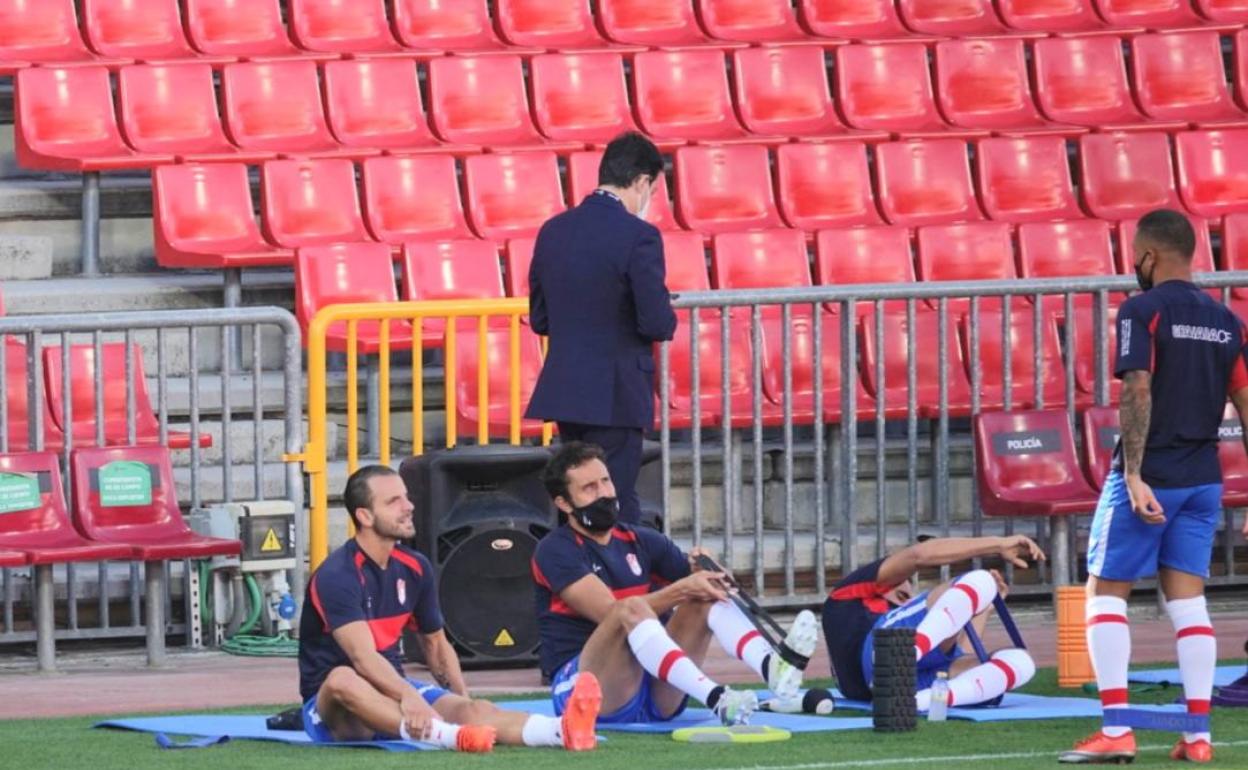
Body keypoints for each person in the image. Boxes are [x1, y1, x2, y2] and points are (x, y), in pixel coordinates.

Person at [1060, 209, 1248, 765]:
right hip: (1203, 480)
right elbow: (1245, 400)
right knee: (1188, 603)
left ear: (1149, 255)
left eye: (1135, 255)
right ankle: (1198, 737)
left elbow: (1137, 390)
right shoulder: (1226, 320)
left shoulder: (1141, 310)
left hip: (1152, 477)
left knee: (1105, 595)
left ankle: (1117, 729)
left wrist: (1134, 473)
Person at [298, 465, 601, 752]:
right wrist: (408, 696)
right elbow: (362, 659)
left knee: (473, 709)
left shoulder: (415, 567)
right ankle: (450, 737)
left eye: (406, 496)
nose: (409, 506)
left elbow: (436, 645)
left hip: (391, 689)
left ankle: (561, 730)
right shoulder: (337, 575)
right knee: (342, 677)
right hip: (335, 710)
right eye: (394, 501)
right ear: (364, 516)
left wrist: (462, 702)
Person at [532, 442, 820, 727]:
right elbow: (611, 613)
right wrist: (684, 588)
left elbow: (718, 585)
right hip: (587, 692)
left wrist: (709, 571)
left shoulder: (641, 539)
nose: (605, 493)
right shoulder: (554, 550)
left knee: (707, 593)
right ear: (564, 504)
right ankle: (717, 698)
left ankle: (771, 666)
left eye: (605, 481)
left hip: (656, 693)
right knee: (628, 609)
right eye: (589, 488)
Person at [526, 132, 678, 527]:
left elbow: (541, 319)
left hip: (566, 388)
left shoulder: (553, 230)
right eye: (653, 190)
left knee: (574, 500)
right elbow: (656, 322)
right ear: (643, 182)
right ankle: (621, 587)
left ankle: (573, 586)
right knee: (615, 499)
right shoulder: (639, 236)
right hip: (616, 391)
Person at [822, 535, 1043, 711]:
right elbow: (919, 554)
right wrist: (998, 544)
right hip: (882, 653)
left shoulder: (907, 617)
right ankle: (910, 652)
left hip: (901, 685)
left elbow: (959, 656)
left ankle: (919, 702)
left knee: (1022, 663)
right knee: (981, 580)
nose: (907, 588)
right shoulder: (850, 594)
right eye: (903, 584)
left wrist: (983, 610)